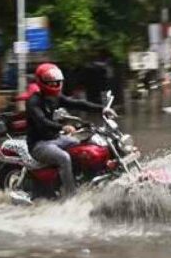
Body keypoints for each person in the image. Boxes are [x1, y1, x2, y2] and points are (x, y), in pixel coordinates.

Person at [26, 63, 116, 198]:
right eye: (51, 81)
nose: (55, 84)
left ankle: (83, 181)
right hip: (39, 144)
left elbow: (78, 103)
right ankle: (71, 196)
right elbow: (42, 122)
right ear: (42, 81)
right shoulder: (33, 101)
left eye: (57, 81)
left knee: (83, 146)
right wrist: (62, 127)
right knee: (64, 158)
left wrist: (102, 109)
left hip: (55, 138)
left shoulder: (55, 97)